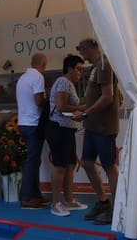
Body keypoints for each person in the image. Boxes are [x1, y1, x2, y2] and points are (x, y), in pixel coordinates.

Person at [75, 38, 121, 225]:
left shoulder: (104, 65)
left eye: (82, 50)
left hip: (103, 126)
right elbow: (97, 97)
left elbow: (107, 97)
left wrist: (85, 113)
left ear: (91, 48)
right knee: (87, 163)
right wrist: (80, 110)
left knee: (109, 166)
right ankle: (103, 202)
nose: (82, 55)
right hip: (92, 125)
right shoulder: (96, 67)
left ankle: (117, 208)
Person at [46, 54, 88, 217]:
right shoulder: (63, 82)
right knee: (60, 165)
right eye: (78, 69)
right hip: (58, 128)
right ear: (69, 68)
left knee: (70, 164)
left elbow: (65, 108)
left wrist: (78, 113)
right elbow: (61, 106)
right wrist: (81, 109)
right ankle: (55, 203)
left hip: (67, 128)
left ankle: (69, 199)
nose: (80, 73)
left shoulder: (69, 84)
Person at [16, 52, 49, 209]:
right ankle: (28, 198)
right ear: (43, 64)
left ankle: (35, 194)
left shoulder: (22, 78)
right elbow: (38, 100)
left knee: (33, 161)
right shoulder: (38, 77)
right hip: (34, 123)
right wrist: (49, 100)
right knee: (32, 161)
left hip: (23, 123)